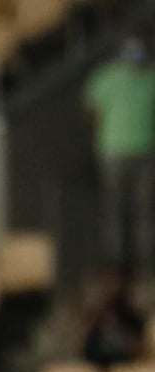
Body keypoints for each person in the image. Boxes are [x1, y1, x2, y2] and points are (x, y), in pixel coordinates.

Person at [84, 35, 155, 273]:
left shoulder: (143, 79)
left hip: (130, 153)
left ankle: (136, 262)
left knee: (136, 209)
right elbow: (91, 107)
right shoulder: (110, 78)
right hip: (122, 153)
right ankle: (122, 262)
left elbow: (91, 109)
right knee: (124, 208)